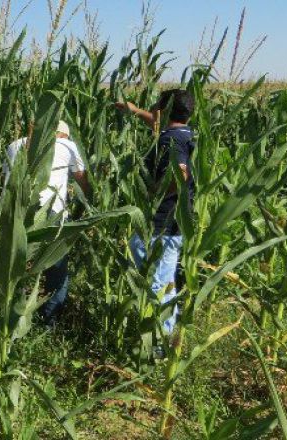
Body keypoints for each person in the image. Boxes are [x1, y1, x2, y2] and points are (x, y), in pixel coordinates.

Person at [116, 89, 196, 337]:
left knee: (156, 282)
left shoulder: (168, 140)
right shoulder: (186, 134)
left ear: (164, 109)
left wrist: (154, 190)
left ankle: (160, 342)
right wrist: (136, 111)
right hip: (175, 221)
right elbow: (159, 124)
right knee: (164, 279)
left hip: (160, 223)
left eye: (156, 105)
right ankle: (164, 332)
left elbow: (180, 172)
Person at [3, 121, 90, 324]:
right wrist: (87, 203)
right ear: (62, 135)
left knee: (17, 268)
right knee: (56, 266)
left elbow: (5, 179)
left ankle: (14, 318)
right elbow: (82, 179)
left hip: (15, 212)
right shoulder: (67, 146)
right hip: (50, 212)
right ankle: (50, 321)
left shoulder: (15, 144)